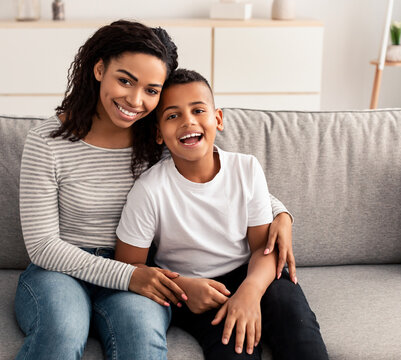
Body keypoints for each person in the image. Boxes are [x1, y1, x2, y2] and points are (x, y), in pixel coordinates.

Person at [15, 19, 295, 360]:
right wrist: (131, 276)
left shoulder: (159, 137)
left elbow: (219, 175)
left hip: (140, 270)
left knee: (140, 339)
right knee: (61, 330)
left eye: (151, 90)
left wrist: (280, 213)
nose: (135, 100)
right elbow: (43, 246)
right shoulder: (46, 142)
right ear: (99, 68)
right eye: (125, 81)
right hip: (61, 271)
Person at [115, 69, 328, 360]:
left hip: (253, 274)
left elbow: (263, 249)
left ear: (218, 118)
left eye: (198, 110)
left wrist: (250, 292)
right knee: (234, 349)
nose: (188, 121)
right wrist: (183, 287)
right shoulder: (150, 189)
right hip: (191, 289)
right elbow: (129, 266)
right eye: (172, 115)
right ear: (158, 133)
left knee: (299, 330)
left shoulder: (246, 168)